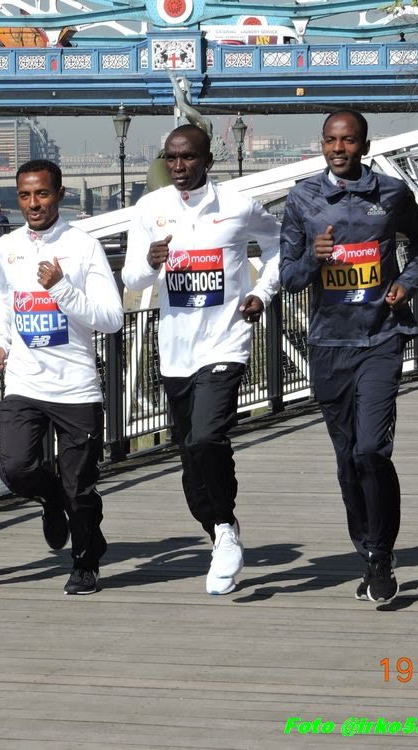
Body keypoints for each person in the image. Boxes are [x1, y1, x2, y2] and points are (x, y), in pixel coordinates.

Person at [279, 109, 418, 604]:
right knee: (348, 459)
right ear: (322, 144)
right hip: (329, 345)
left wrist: (406, 283)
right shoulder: (303, 198)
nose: (338, 149)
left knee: (371, 450)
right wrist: (314, 258)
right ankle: (367, 550)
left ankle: (381, 553)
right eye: (330, 140)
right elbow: (289, 278)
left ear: (364, 146)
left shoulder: (392, 193)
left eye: (348, 141)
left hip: (381, 338)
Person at [121, 124, 281, 596]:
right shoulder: (150, 208)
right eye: (170, 158)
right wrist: (150, 262)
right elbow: (132, 279)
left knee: (209, 435)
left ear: (208, 160)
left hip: (226, 342)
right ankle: (218, 529)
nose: (178, 166)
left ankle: (226, 527)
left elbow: (279, 244)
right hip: (176, 351)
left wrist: (262, 292)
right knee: (192, 456)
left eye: (188, 157)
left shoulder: (238, 205)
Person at [0, 159, 123, 595]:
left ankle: (85, 562)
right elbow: (4, 299)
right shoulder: (6, 246)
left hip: (75, 386)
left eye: (42, 194)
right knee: (15, 469)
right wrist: (0, 342)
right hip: (25, 383)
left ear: (60, 194)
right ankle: (49, 499)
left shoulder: (84, 246)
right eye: (25, 195)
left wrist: (61, 288)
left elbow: (112, 318)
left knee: (79, 486)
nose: (33, 204)